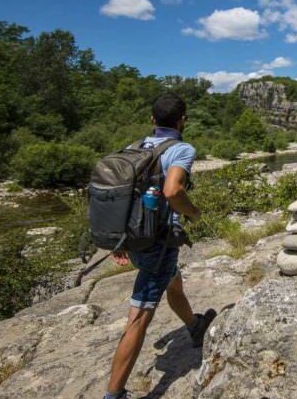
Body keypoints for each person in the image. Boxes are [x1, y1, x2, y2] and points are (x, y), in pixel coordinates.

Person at [104, 93, 216, 399]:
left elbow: (122, 196)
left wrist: (119, 240)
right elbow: (172, 190)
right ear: (183, 121)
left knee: (173, 281)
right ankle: (113, 394)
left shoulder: (135, 147)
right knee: (139, 316)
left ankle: (193, 326)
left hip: (134, 238)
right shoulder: (181, 149)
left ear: (153, 121)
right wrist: (193, 212)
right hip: (159, 242)